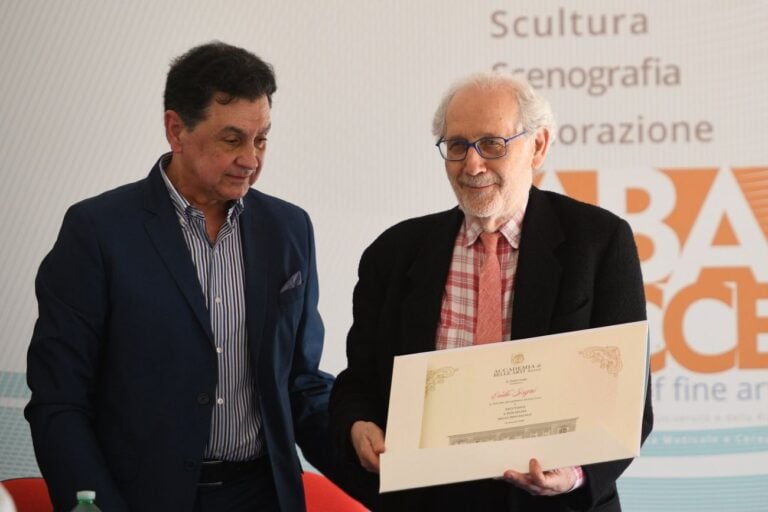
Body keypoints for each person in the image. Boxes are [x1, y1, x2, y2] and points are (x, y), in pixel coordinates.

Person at [26, 42, 336, 512]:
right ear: (176, 130)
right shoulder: (98, 232)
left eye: (262, 139)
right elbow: (59, 400)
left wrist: (359, 433)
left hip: (262, 496)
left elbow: (299, 382)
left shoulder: (289, 229)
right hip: (138, 500)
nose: (251, 159)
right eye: (232, 139)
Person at [329, 72, 654, 511]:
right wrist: (358, 423)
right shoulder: (394, 253)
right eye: (458, 146)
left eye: (492, 145)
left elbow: (628, 403)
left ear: (538, 146)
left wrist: (575, 475)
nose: (473, 164)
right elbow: (358, 382)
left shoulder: (598, 242)